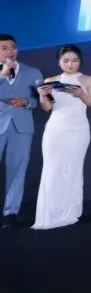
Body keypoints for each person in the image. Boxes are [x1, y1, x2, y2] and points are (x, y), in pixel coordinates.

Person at [32, 44, 91, 230]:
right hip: (55, 130)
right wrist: (42, 96)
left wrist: (81, 94)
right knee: (52, 170)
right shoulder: (51, 80)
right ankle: (50, 213)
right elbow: (47, 107)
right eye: (66, 61)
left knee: (73, 170)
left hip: (78, 130)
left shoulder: (88, 80)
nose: (70, 64)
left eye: (75, 61)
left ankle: (69, 212)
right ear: (59, 62)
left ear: (80, 61)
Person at [0, 33, 43, 229]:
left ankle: (10, 212)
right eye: (4, 48)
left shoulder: (33, 72)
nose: (10, 51)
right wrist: (2, 74)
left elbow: (42, 101)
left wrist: (26, 101)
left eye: (13, 47)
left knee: (17, 170)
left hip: (22, 126)